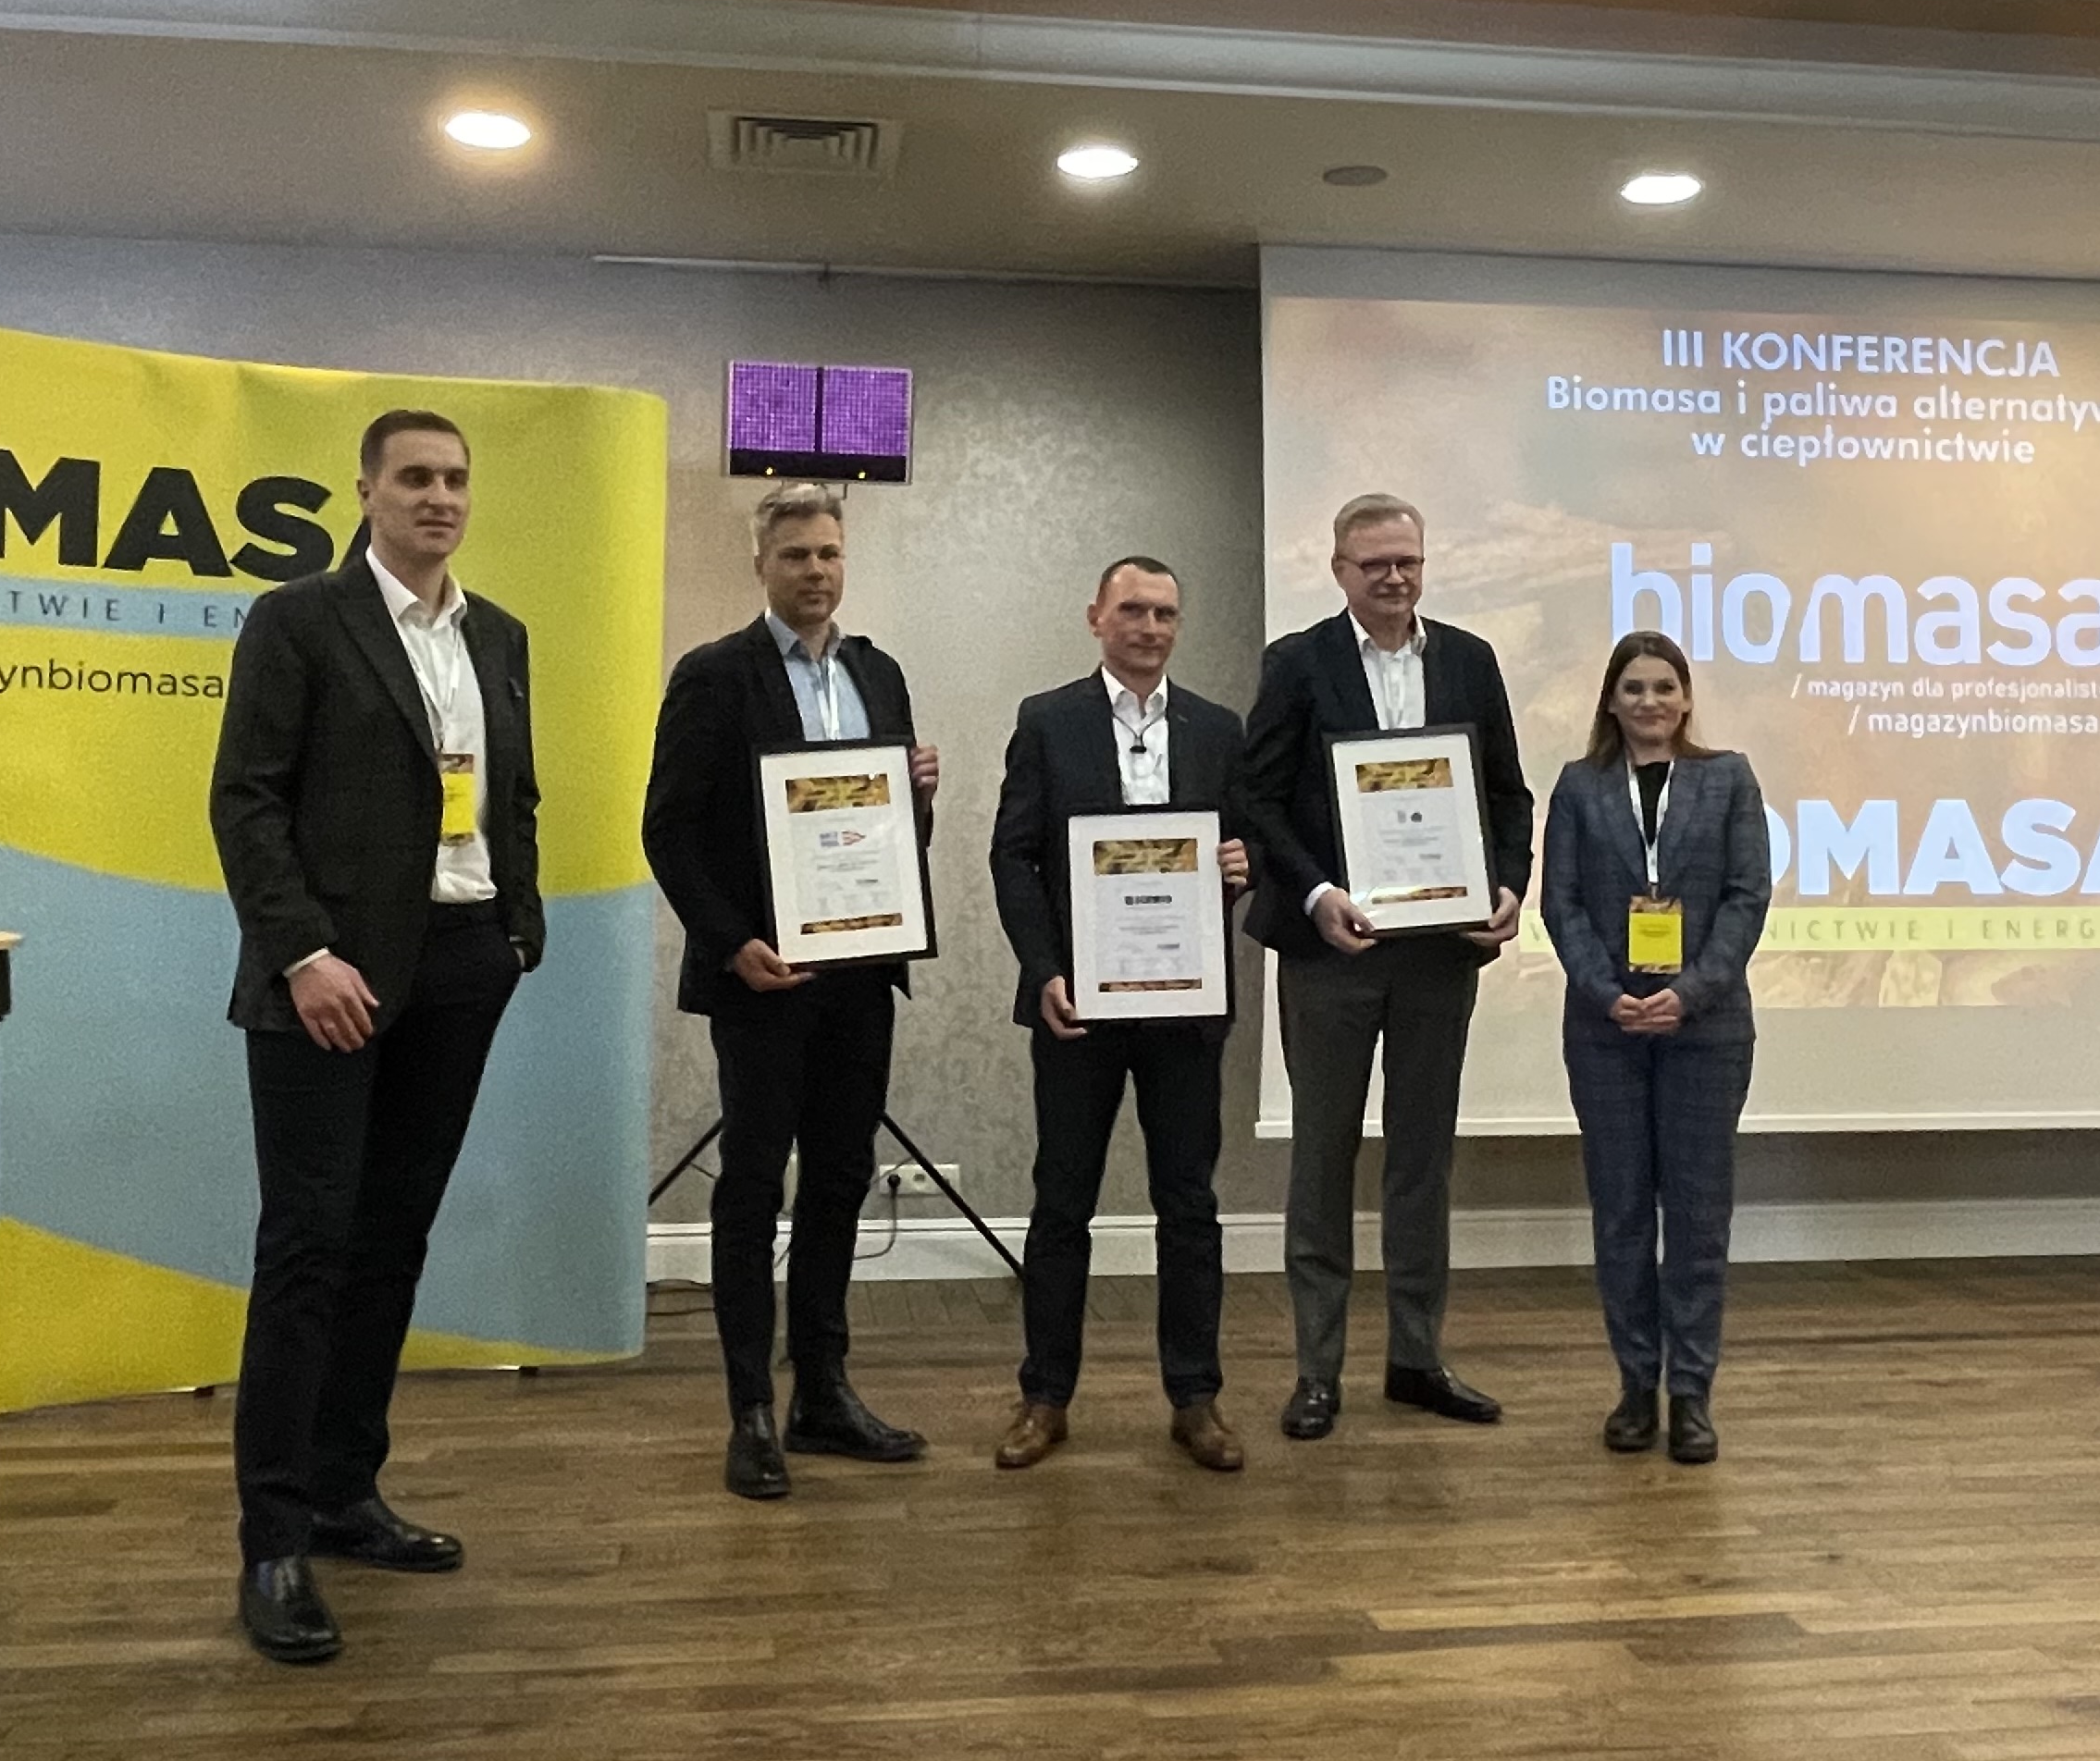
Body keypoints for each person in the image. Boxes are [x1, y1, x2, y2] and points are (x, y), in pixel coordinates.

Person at [207, 410, 543, 1665]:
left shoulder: (496, 634)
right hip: (330, 981)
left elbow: (509, 791)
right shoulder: (299, 619)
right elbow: (244, 801)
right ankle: (273, 1538)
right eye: (414, 477)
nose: (438, 496)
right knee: (309, 1248)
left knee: (391, 1241)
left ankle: (345, 1491)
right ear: (364, 491)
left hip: (460, 964)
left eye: (455, 478)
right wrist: (303, 954)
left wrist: (517, 926)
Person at [642, 482, 939, 1501]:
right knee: (753, 1184)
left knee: (843, 1177)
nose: (816, 570)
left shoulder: (878, 673)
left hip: (861, 974)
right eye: (797, 554)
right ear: (761, 565)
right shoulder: (714, 673)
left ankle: (822, 1391)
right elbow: (667, 828)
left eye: (829, 553)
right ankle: (750, 1413)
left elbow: (891, 840)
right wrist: (732, 943)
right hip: (761, 979)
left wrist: (918, 799)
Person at [1236, 492, 1532, 1442]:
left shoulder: (1470, 660)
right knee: (1323, 1156)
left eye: (1407, 560)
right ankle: (1317, 1370)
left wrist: (1506, 887)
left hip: (1440, 956)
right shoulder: (1297, 662)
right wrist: (1318, 893)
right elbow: (1256, 797)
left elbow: (1508, 796)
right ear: (1339, 571)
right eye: (1375, 564)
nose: (1395, 577)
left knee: (1421, 1159)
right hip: (1334, 950)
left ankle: (1415, 1357)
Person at [987, 557, 1254, 1474]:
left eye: (1166, 614)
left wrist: (1243, 864)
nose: (1149, 628)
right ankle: (1044, 1396)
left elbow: (1244, 842)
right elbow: (1013, 856)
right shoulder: (1047, 720)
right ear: (1096, 617)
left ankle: (1197, 1398)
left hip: (1184, 1007)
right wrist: (1044, 970)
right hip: (1078, 1008)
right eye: (1133, 610)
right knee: (1063, 1202)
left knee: (1190, 1205)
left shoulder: (1217, 728)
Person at [1540, 631, 1771, 1466]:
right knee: (1622, 1215)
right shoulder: (1578, 786)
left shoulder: (1727, 779)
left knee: (1699, 1218)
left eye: (1663, 687)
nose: (1649, 701)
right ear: (1610, 700)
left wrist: (1691, 991)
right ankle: (1636, 1386)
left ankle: (1691, 1394)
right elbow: (1560, 903)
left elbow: (1747, 896)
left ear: (1686, 699)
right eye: (1633, 688)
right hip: (1604, 1031)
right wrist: (1608, 993)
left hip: (1706, 1031)